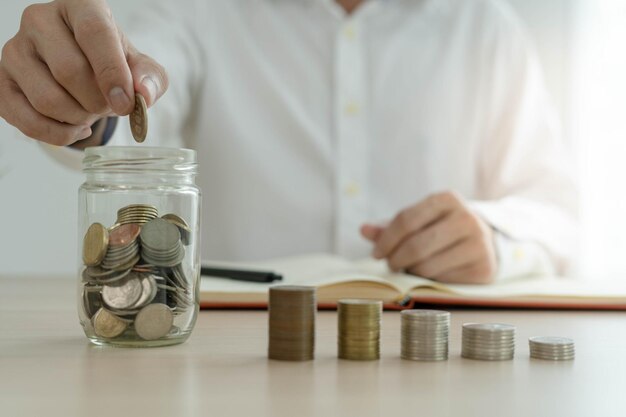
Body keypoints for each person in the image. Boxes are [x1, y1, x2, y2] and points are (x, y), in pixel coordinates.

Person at [0, 0, 577, 284]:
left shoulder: (487, 28)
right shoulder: (198, 11)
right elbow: (129, 104)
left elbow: (557, 213)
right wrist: (84, 96)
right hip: (231, 360)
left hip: (432, 357)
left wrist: (495, 240)